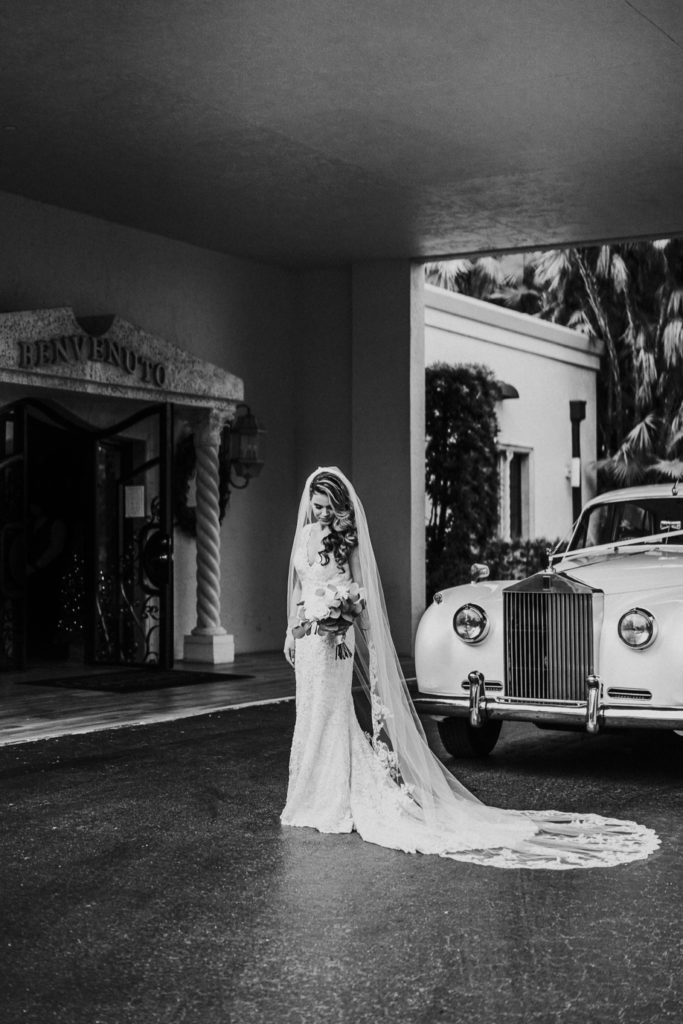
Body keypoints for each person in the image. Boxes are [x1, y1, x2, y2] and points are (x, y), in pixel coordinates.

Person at [281, 467, 660, 869]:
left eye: (327, 507)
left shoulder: (349, 543)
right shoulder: (305, 536)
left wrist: (358, 630)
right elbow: (299, 586)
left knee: (331, 712)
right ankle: (308, 794)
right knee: (308, 712)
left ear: (340, 506)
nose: (321, 513)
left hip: (336, 641)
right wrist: (292, 630)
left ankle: (333, 796)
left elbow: (363, 596)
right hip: (307, 640)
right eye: (316, 506)